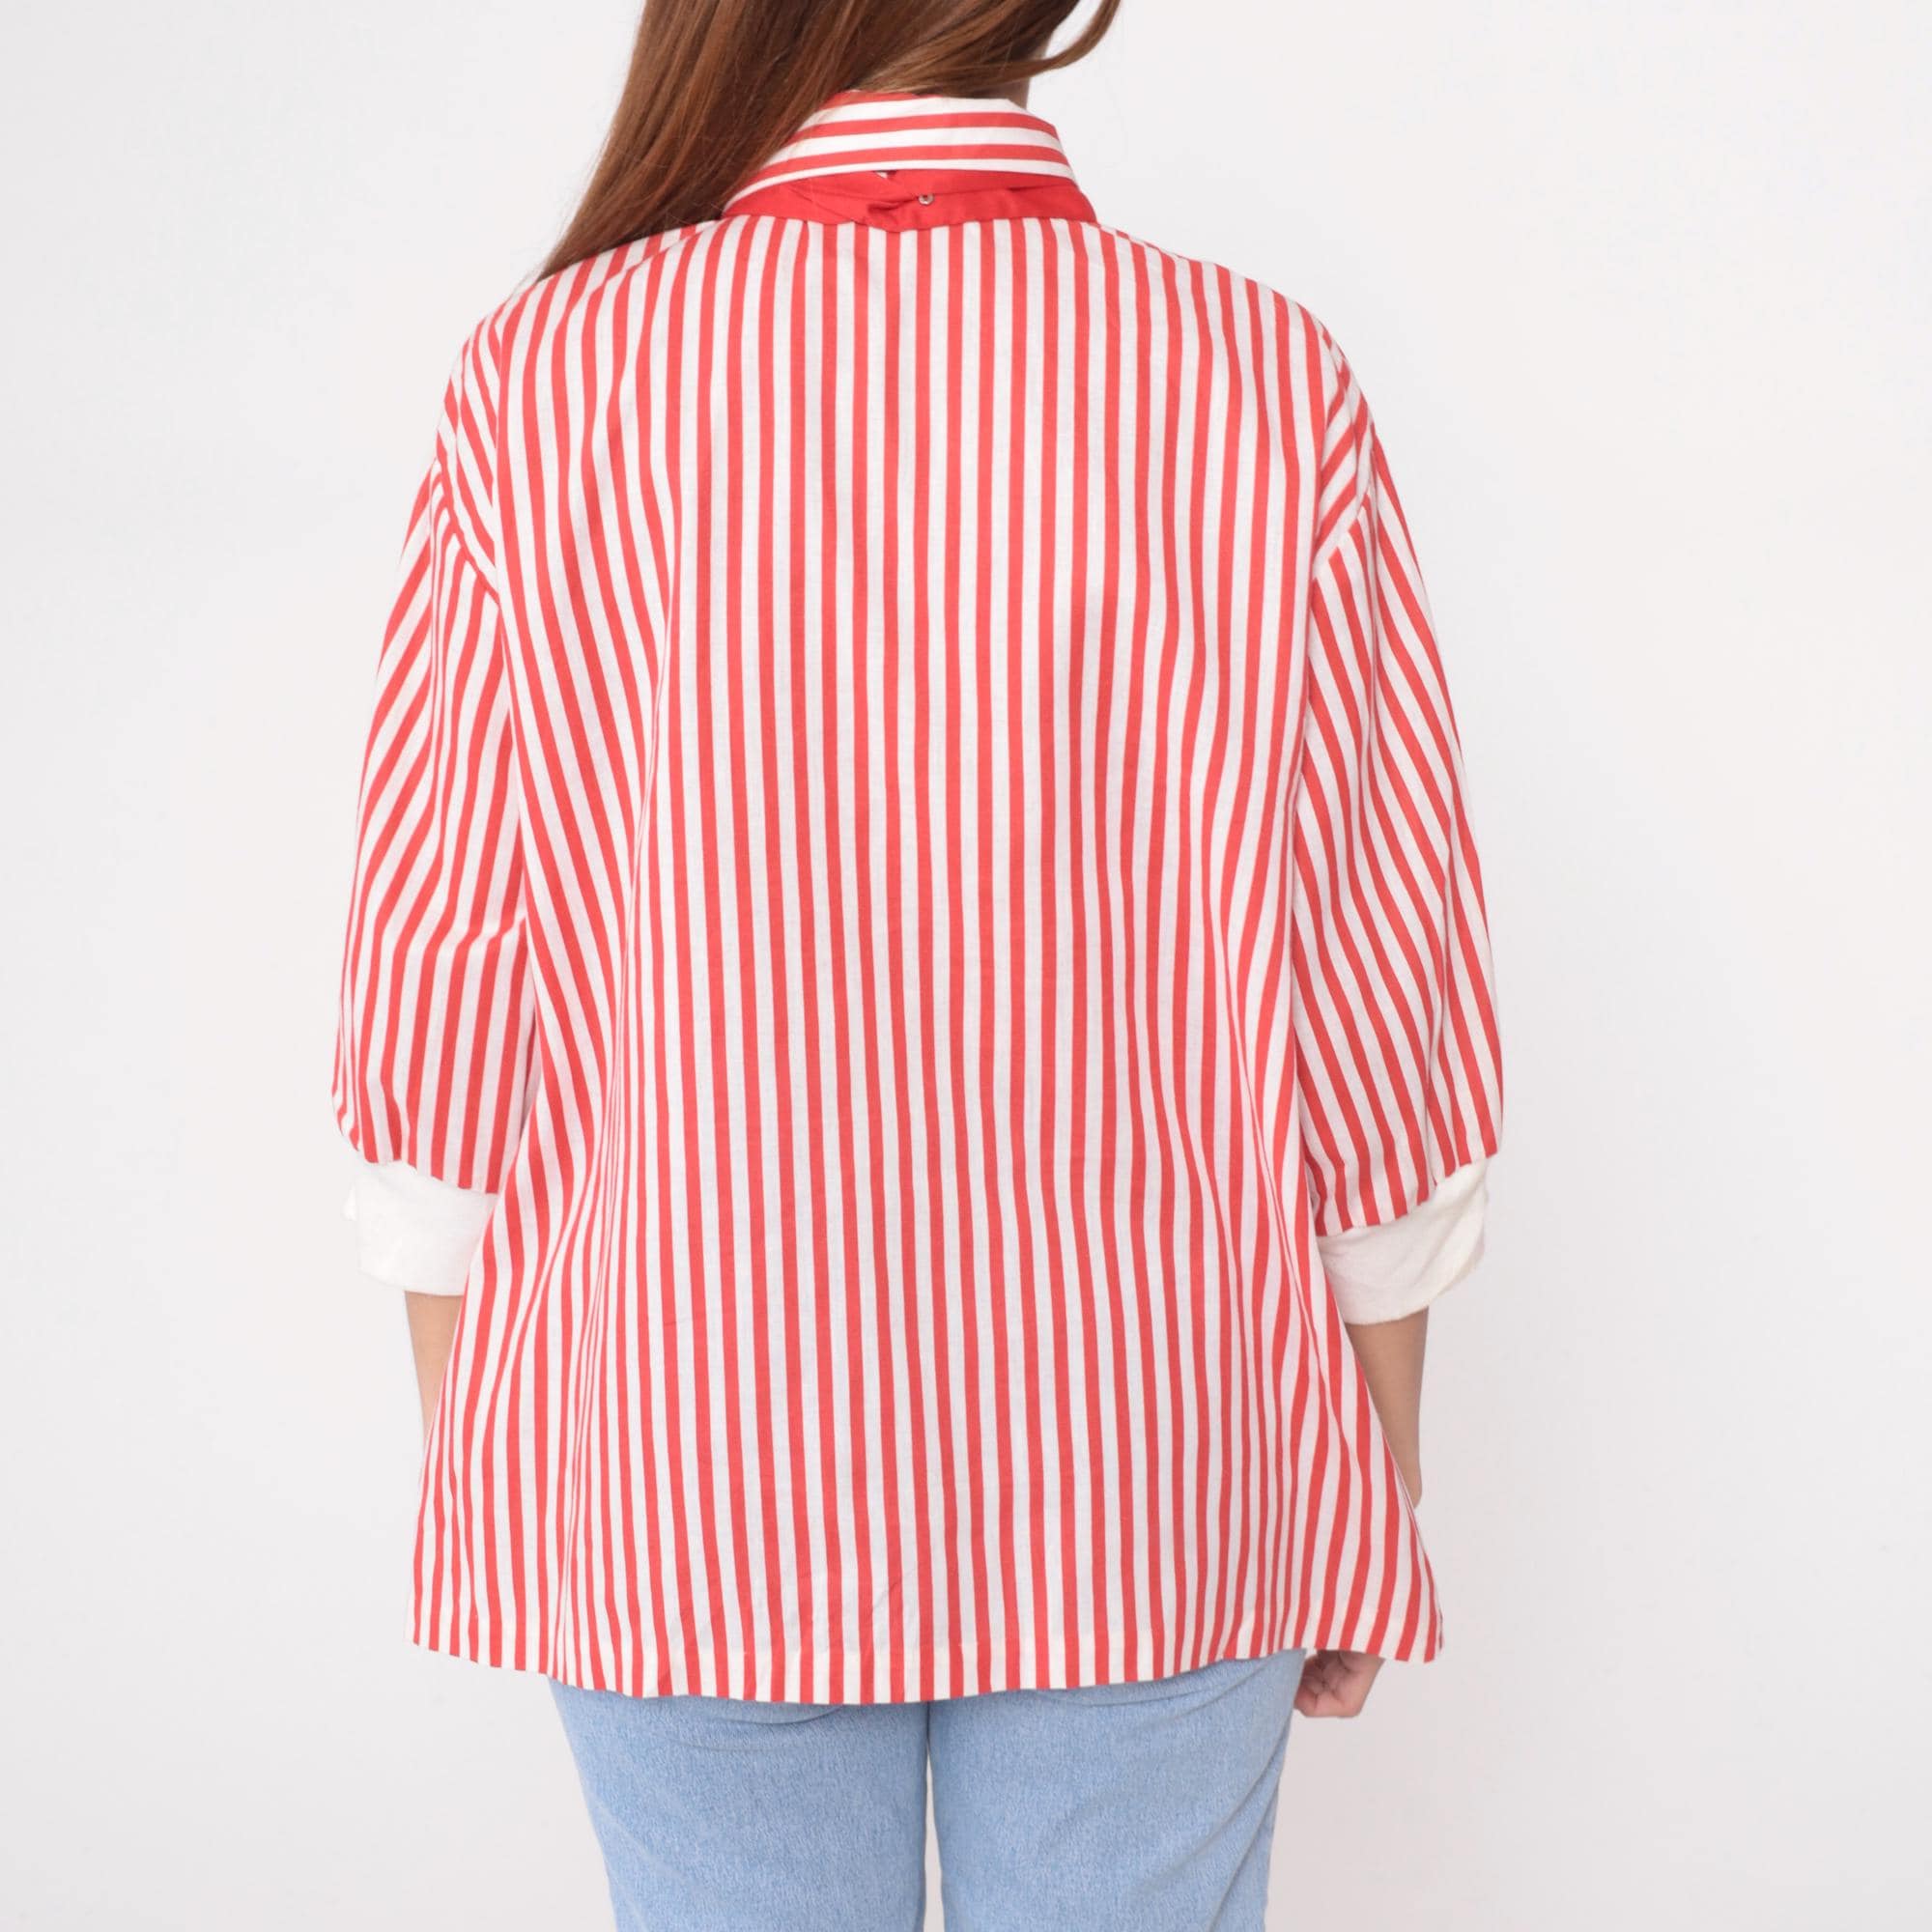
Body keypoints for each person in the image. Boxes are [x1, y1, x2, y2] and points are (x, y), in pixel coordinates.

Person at [331, 1, 1504, 1923]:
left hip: (678, 1446)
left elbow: (440, 976)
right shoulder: (1256, 377)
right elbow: (1383, 968)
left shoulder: (546, 381)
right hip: (1162, 1442)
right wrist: (1371, 1452)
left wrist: (504, 1455)